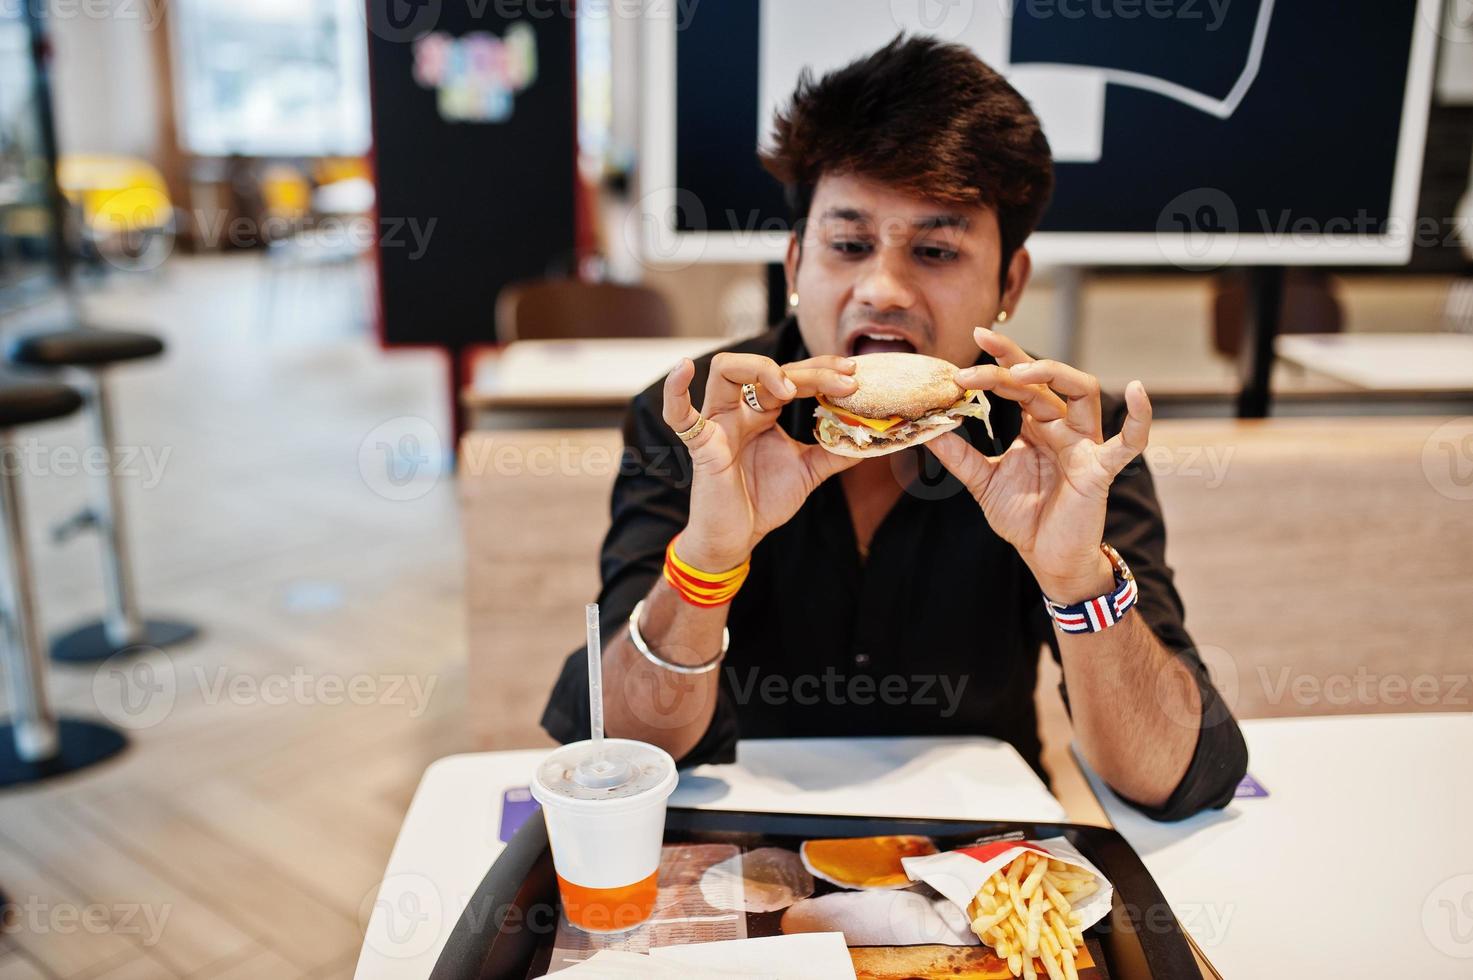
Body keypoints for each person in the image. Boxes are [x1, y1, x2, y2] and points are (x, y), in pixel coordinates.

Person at [542, 35, 1246, 820]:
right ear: (794, 264)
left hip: (982, 865)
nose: (882, 288)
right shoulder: (700, 420)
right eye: (847, 245)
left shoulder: (1069, 438)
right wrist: (707, 562)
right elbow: (614, 748)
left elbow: (1174, 779)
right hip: (734, 852)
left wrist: (1076, 577)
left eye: (936, 249)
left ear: (1008, 281)